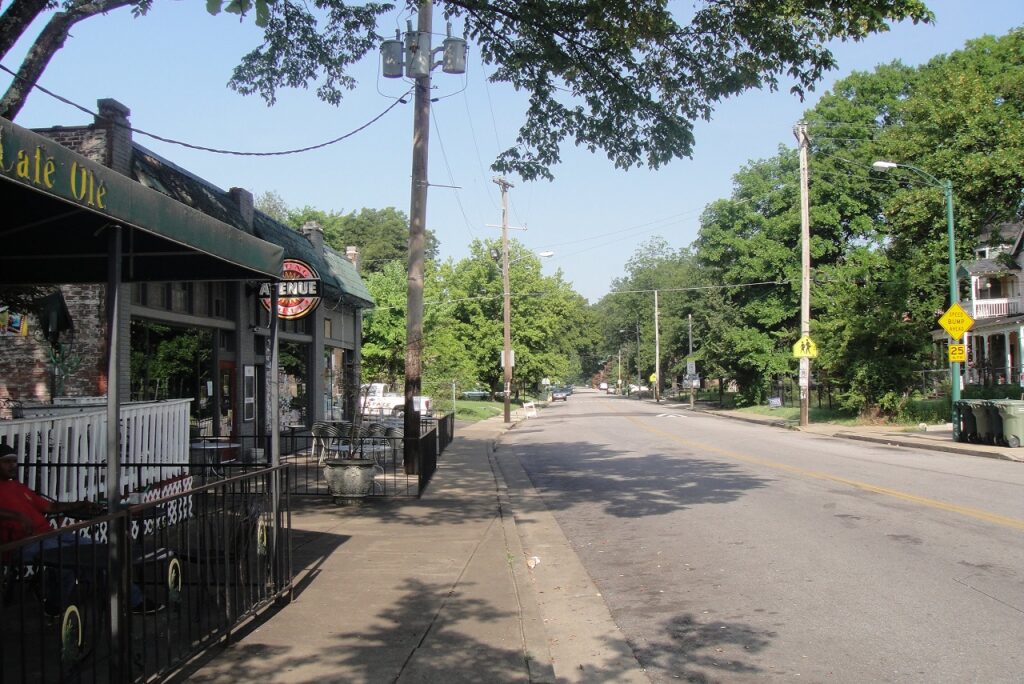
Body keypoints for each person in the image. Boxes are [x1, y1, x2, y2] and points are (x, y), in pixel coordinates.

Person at [0, 443, 157, 615]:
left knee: (100, 552)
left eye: (14, 461)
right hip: (21, 544)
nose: (12, 466)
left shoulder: (16, 486)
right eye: (7, 462)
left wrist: (80, 503)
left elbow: (50, 507)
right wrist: (16, 516)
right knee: (66, 563)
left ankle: (131, 599)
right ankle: (55, 606)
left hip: (51, 534)